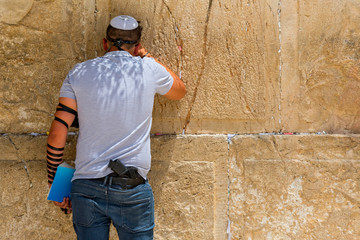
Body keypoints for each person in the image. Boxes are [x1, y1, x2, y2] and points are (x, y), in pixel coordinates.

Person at [46, 15, 186, 240]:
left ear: (104, 43)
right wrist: (147, 57)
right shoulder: (148, 68)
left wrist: (57, 185)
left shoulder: (79, 72)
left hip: (86, 188)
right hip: (131, 189)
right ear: (137, 45)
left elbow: (57, 133)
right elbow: (180, 91)